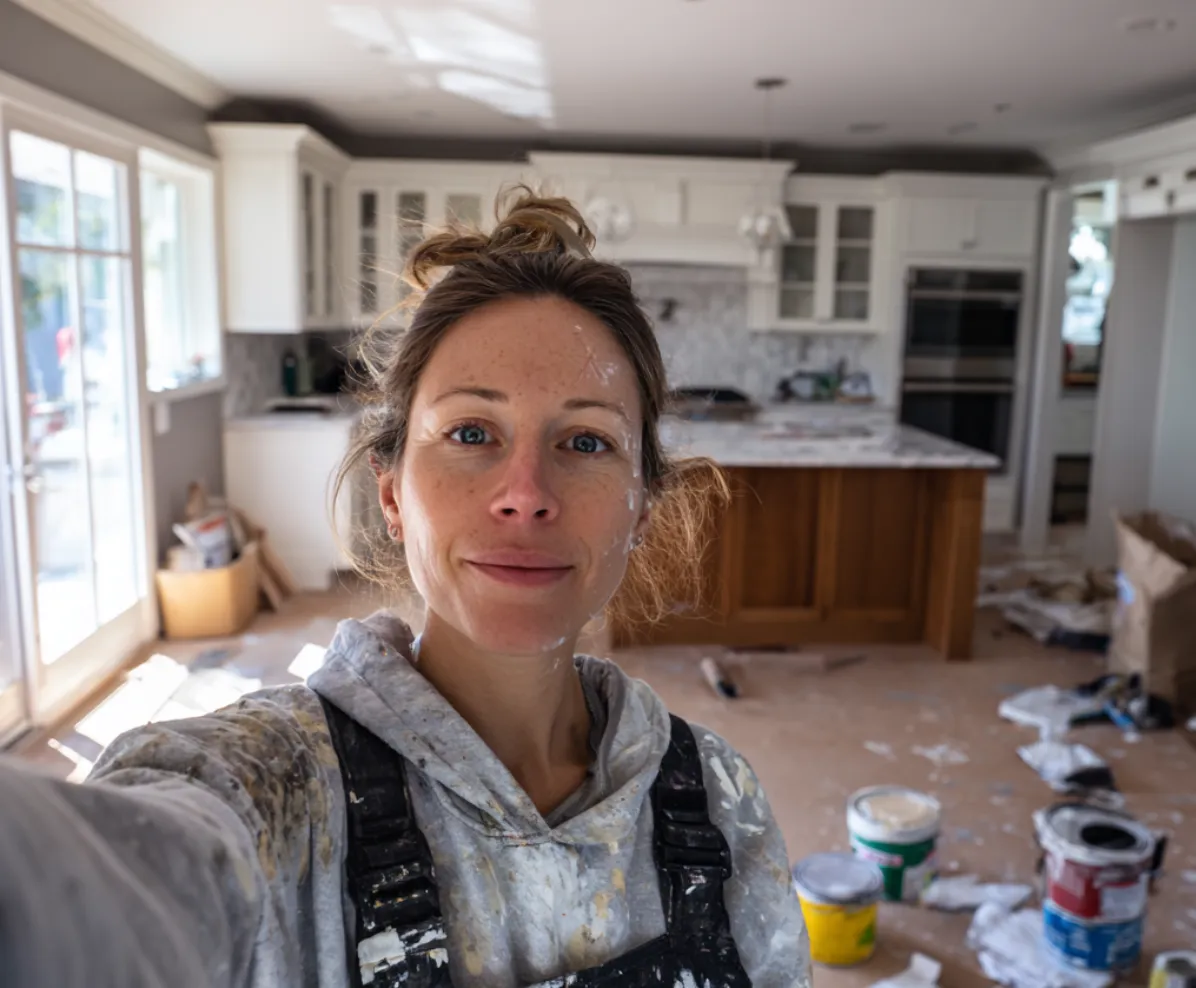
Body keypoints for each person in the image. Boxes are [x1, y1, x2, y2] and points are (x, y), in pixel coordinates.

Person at [0, 189, 810, 988]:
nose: (526, 494)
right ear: (391, 494)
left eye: (587, 441)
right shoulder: (270, 790)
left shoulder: (719, 799)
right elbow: (102, 891)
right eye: (470, 432)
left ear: (641, 509)